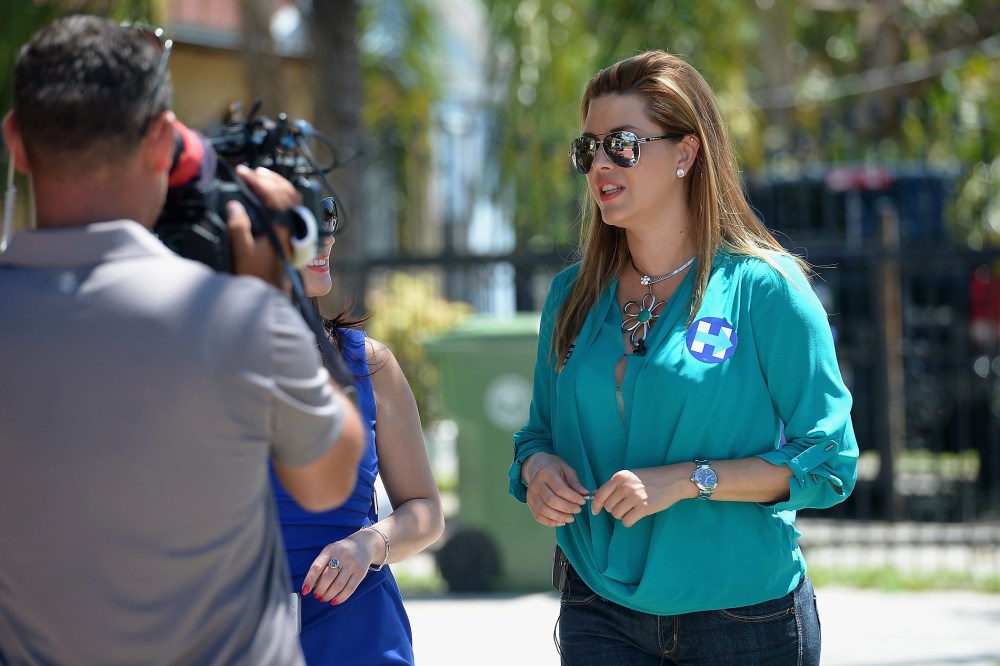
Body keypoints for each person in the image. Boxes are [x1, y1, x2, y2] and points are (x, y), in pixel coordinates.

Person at [0, 15, 364, 665]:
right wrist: (281, 295)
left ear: (16, 142)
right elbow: (328, 475)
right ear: (165, 141)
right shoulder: (232, 319)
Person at [508, 50, 859, 665]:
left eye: (621, 144)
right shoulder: (571, 296)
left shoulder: (764, 288)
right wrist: (539, 472)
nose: (599, 164)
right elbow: (536, 433)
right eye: (587, 147)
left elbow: (828, 462)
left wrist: (688, 480)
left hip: (742, 616)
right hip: (598, 608)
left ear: (687, 153)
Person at [271, 201, 445, 664]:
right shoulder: (194, 367)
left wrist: (371, 543)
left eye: (327, 216)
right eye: (301, 221)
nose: (326, 237)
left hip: (359, 636)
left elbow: (425, 510)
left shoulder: (368, 363)